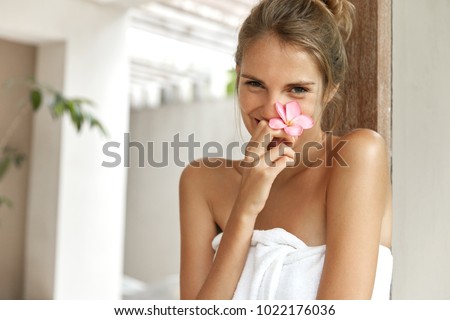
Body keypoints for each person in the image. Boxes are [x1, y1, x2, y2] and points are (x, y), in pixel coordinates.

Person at [179, 0, 392, 300]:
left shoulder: (357, 157)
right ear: (238, 76)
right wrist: (245, 208)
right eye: (255, 83)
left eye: (297, 89)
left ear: (329, 89)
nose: (271, 109)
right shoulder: (202, 182)